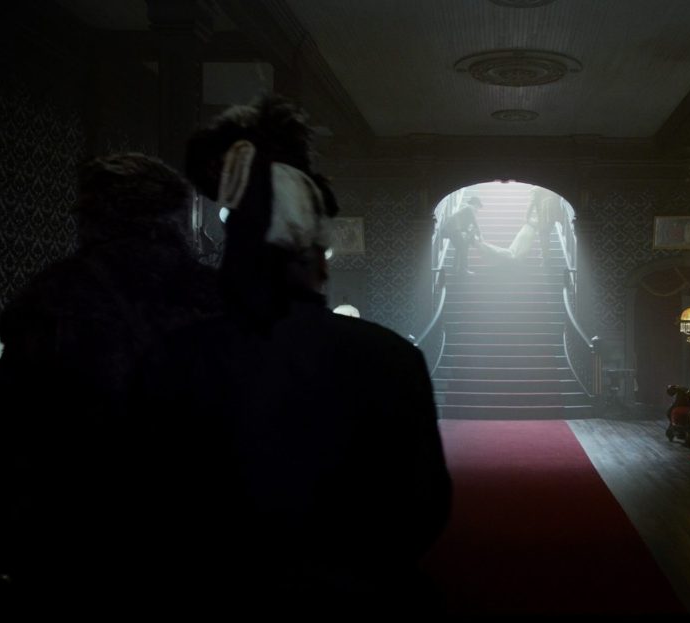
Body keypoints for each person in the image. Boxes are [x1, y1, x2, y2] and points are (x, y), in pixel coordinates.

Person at [135, 95, 452, 612]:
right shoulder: (391, 358)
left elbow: (151, 505)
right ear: (316, 255)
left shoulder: (173, 358)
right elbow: (422, 507)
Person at [0, 153, 221, 610]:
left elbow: (11, 440)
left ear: (92, 217)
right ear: (176, 218)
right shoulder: (214, 297)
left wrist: (0, 552)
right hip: (200, 545)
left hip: (73, 548)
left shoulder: (52, 298)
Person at [442, 195, 482, 276]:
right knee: (463, 247)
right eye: (478, 206)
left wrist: (470, 235)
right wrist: (480, 236)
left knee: (460, 247)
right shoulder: (470, 208)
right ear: (475, 204)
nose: (478, 209)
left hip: (451, 229)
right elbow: (475, 223)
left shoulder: (465, 210)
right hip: (454, 229)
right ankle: (463, 269)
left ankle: (455, 269)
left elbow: (465, 227)